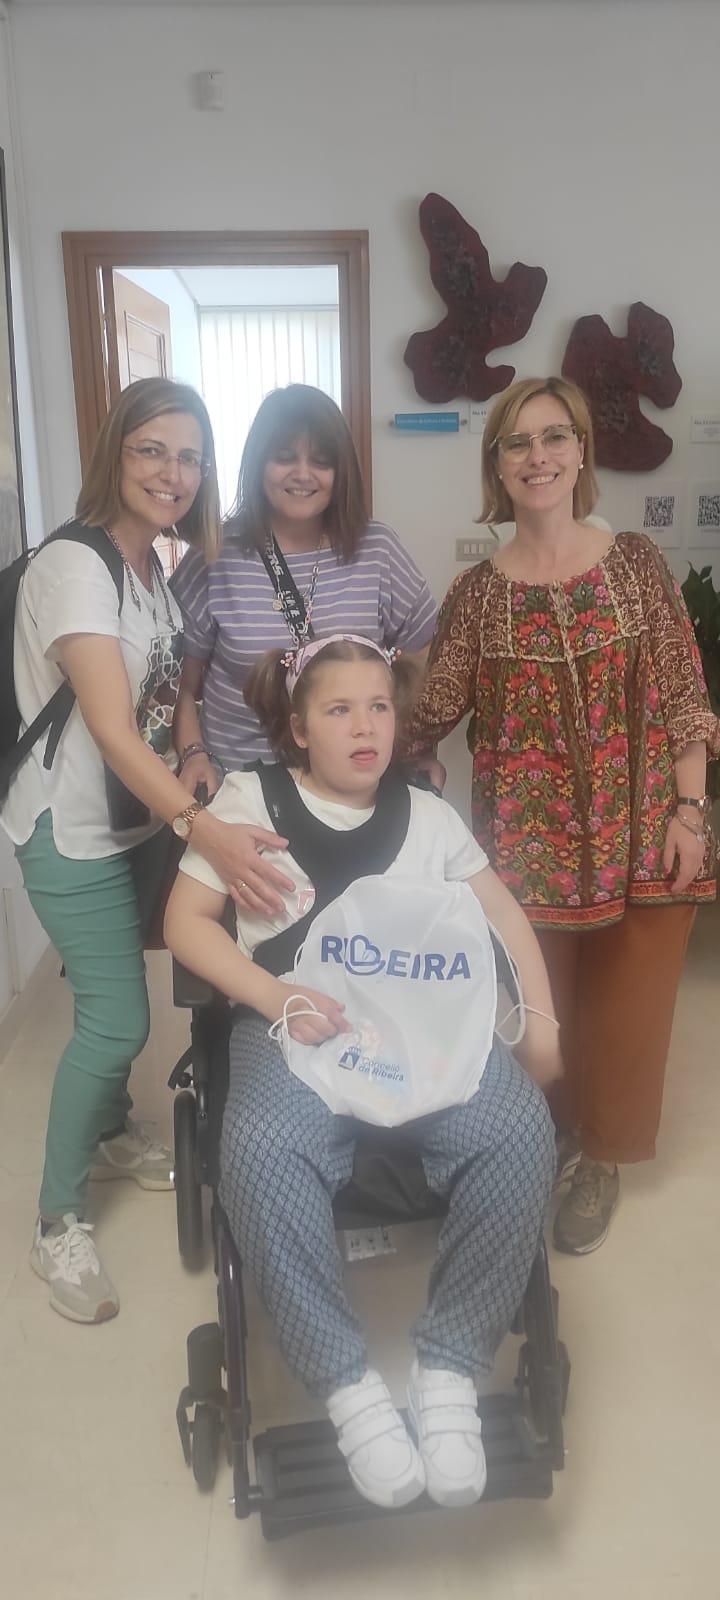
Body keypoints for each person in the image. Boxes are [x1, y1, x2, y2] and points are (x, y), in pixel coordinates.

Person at [164, 634, 558, 1511]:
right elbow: (186, 923)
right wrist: (275, 997)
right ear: (300, 727)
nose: (365, 726)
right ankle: (348, 1388)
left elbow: (504, 918)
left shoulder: (426, 814)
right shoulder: (249, 799)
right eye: (339, 709)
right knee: (259, 1151)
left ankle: (449, 1368)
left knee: (517, 1131)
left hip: (421, 1027)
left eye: (379, 706)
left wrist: (543, 1024)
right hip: (294, 1025)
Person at [0, 377, 302, 1326]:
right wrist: (201, 827)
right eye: (152, 451)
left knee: (142, 981)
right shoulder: (75, 565)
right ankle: (56, 1220)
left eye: (190, 457)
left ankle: (111, 1131)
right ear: (115, 456)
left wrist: (197, 761)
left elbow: (168, 699)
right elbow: (109, 727)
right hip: (72, 831)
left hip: (136, 820)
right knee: (117, 1022)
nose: (174, 473)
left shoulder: (152, 570)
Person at [405, 375, 719, 1255]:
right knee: (536, 1014)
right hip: (524, 853)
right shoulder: (477, 594)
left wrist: (691, 811)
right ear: (497, 465)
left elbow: (684, 695)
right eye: (516, 441)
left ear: (581, 452)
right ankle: (536, 1144)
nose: (536, 456)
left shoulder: (635, 566)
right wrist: (356, 715)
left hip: (642, 834)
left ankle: (602, 1158)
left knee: (627, 1013)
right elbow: (433, 707)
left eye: (553, 437)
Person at [170, 383, 438, 915]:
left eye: (320, 460)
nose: (302, 473)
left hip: (350, 794)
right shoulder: (216, 553)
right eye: (284, 456)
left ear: (341, 472)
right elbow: (182, 685)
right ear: (258, 464)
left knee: (352, 929)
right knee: (245, 930)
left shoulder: (376, 549)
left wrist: (412, 741)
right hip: (242, 792)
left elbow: (418, 657)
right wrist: (193, 753)